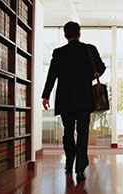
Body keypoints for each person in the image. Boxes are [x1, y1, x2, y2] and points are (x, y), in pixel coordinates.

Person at [41, 21, 106, 182]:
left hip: (65, 99)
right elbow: (102, 68)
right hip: (84, 98)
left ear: (65, 35)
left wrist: (46, 95)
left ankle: (69, 163)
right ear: (79, 33)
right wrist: (87, 78)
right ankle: (80, 170)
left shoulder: (58, 53)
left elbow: (52, 75)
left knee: (68, 132)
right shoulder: (89, 49)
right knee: (83, 133)